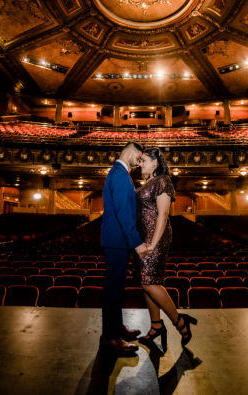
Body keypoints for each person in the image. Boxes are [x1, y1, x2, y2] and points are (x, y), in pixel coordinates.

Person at [134, 147, 197, 348]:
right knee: (146, 281)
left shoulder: (163, 180)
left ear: (155, 163)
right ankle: (155, 326)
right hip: (143, 238)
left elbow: (163, 214)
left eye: (143, 160)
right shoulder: (148, 182)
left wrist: (153, 243)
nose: (139, 164)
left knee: (149, 281)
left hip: (156, 237)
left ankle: (179, 322)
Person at [99, 141, 150, 356]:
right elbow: (122, 212)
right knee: (113, 289)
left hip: (117, 240)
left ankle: (115, 329)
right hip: (117, 240)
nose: (139, 163)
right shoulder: (120, 174)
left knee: (116, 289)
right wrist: (136, 243)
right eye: (138, 158)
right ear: (128, 153)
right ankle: (110, 338)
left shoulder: (120, 173)